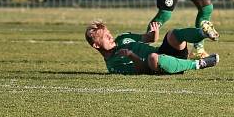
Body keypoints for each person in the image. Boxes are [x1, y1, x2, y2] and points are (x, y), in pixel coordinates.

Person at [85, 19, 220, 75]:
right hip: (156, 64)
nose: (110, 37)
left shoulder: (122, 38)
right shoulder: (113, 65)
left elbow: (149, 38)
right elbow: (142, 70)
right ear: (96, 45)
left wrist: (154, 33)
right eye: (105, 37)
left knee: (172, 34)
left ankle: (203, 33)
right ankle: (200, 63)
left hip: (162, 52)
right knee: (152, 58)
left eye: (109, 33)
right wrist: (131, 55)